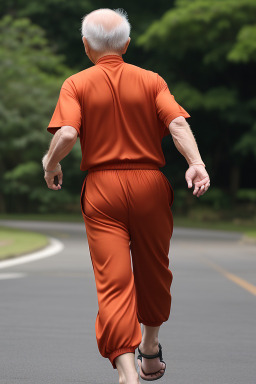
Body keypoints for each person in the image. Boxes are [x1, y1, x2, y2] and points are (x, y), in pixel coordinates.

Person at [42, 8, 210, 384]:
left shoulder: (76, 83)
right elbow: (177, 122)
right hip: (150, 184)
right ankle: (150, 350)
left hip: (102, 189)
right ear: (127, 44)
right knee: (154, 269)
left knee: (113, 280)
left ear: (86, 46)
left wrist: (50, 162)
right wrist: (195, 162)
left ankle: (128, 372)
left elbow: (67, 133)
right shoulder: (151, 80)